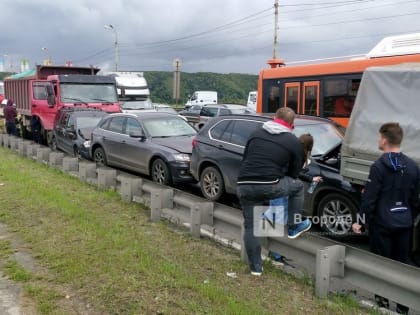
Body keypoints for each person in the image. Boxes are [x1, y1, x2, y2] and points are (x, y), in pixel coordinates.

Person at [352, 122, 420, 314]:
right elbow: (416, 200)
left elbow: (369, 199)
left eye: (378, 137)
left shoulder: (379, 166)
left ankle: (381, 305)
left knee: (380, 264)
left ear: (384, 139)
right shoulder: (413, 167)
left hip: (381, 224)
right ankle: (402, 308)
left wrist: (361, 221)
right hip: (404, 223)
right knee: (402, 265)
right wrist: (409, 218)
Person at [237, 107, 312, 276]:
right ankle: (294, 226)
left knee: (251, 227)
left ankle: (256, 268)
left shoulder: (255, 133)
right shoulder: (293, 141)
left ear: (274, 117)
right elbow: (293, 175)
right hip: (269, 184)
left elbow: (246, 158)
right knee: (298, 186)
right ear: (292, 125)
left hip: (244, 184)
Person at [266, 133, 322, 263]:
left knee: (273, 215)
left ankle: (268, 244)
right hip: (281, 187)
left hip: (272, 185)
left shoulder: (288, 150)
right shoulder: (299, 155)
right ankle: (276, 254)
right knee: (280, 220)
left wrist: (310, 178)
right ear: (309, 147)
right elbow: (294, 174)